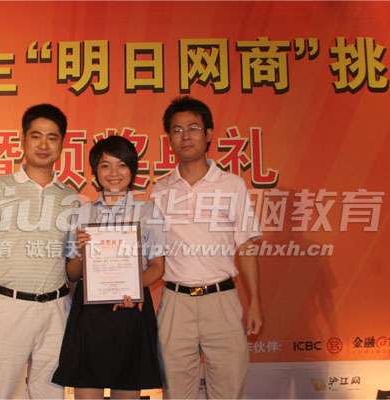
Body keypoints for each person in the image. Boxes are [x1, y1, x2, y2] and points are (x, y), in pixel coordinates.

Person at [0, 104, 80, 399]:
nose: (44, 145)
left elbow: (71, 263)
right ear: (23, 139)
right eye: (36, 136)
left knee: (50, 393)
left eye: (52, 137)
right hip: (7, 307)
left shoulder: (71, 197)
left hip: (57, 309)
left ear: (62, 143)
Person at [152, 96, 264, 399]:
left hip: (221, 300)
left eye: (193, 128)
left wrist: (255, 301)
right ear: (169, 139)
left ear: (209, 133)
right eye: (177, 130)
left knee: (229, 391)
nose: (185, 136)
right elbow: (153, 254)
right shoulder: (160, 190)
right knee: (176, 393)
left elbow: (245, 247)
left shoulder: (232, 185)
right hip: (175, 304)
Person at [52, 135, 165, 399]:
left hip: (131, 309)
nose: (114, 173)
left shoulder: (148, 211)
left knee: (127, 391)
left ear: (132, 169)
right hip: (90, 313)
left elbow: (157, 267)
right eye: (105, 165)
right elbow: (72, 274)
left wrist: (133, 288)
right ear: (95, 172)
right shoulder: (81, 213)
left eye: (122, 165)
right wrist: (82, 253)